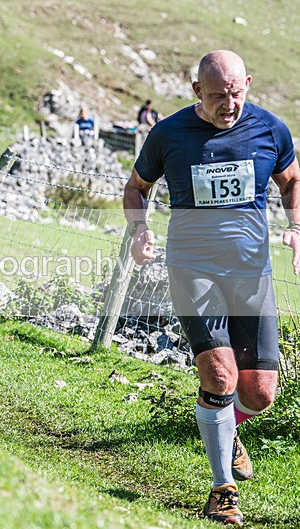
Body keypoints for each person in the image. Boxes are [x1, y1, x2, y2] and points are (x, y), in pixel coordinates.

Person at [124, 50, 300, 526]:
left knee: (261, 392)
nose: (230, 105)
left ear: (248, 83)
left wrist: (295, 227)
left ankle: (225, 426)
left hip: (252, 272)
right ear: (198, 92)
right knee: (220, 377)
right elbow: (136, 186)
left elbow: (291, 182)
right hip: (191, 268)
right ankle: (222, 488)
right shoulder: (170, 133)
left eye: (237, 93)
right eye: (219, 96)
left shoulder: (269, 129)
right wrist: (140, 230)